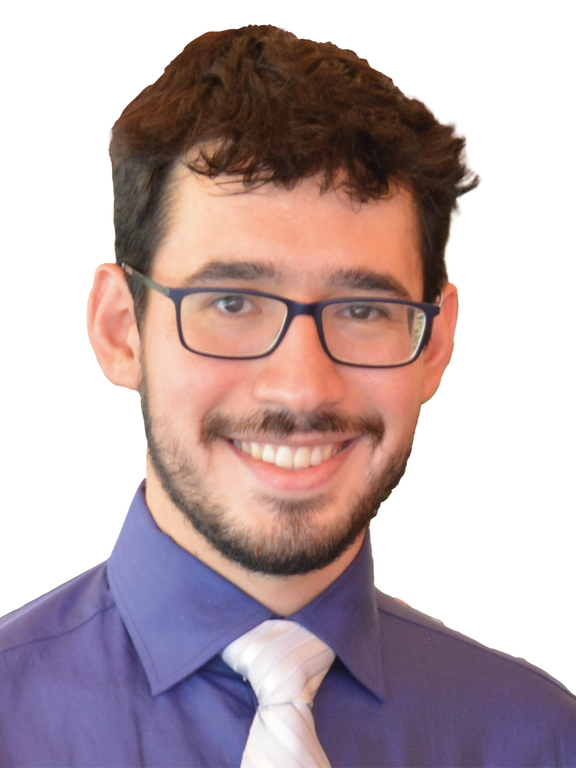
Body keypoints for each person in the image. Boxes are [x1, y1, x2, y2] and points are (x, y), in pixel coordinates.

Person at [0, 24, 574, 767]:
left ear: (434, 344)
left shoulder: (542, 742)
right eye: (233, 303)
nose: (303, 386)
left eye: (364, 310)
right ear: (122, 331)